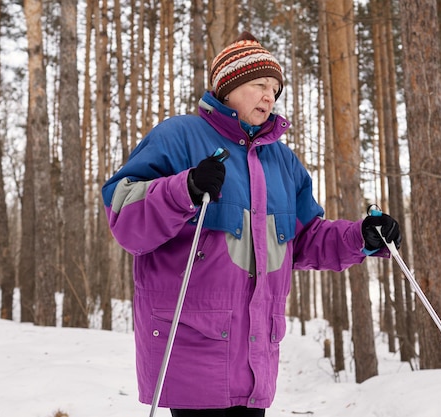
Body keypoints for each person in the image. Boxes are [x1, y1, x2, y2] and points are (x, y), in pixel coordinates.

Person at [102, 31, 401, 417]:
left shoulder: (282, 161)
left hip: (256, 356)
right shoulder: (178, 136)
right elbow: (124, 216)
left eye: (275, 89)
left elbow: (306, 239)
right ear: (228, 88)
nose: (269, 97)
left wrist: (361, 237)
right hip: (192, 350)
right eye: (259, 85)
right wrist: (184, 189)